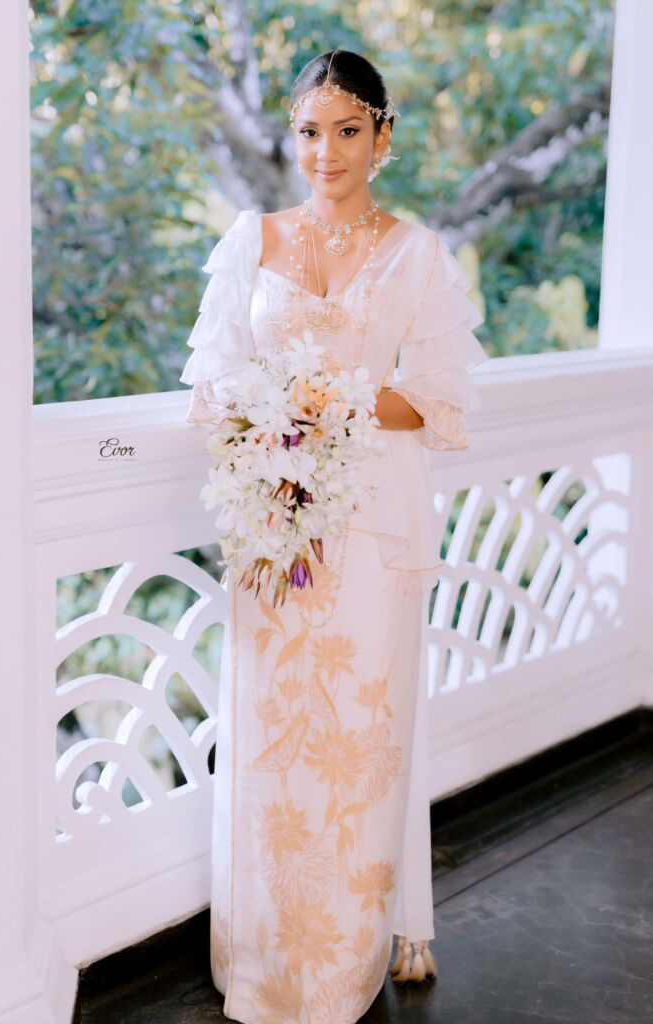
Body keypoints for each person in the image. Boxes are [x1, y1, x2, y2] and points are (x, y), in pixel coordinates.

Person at [179, 47, 489, 1024]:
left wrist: (324, 406)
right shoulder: (251, 240)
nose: (326, 152)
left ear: (381, 137)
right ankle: (264, 963)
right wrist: (270, 421)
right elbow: (212, 386)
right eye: (310, 131)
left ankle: (338, 969)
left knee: (359, 736)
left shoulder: (416, 254)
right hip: (270, 525)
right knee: (269, 745)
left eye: (347, 130)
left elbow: (437, 401)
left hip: (371, 527)